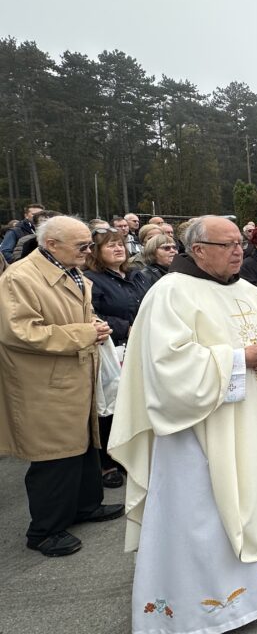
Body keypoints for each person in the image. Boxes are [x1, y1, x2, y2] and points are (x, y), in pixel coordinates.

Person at [108, 216, 257, 634]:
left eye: (241, 243)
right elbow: (165, 367)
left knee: (256, 496)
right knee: (203, 518)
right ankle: (198, 612)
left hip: (253, 422)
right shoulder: (170, 294)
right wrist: (239, 359)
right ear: (197, 250)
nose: (239, 251)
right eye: (228, 244)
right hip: (196, 432)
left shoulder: (250, 291)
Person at [0, 216, 121, 557]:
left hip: (73, 375)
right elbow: (19, 332)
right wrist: (84, 333)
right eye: (81, 245)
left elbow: (72, 313)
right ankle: (44, 530)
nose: (88, 251)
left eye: (88, 244)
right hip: (44, 383)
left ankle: (85, 505)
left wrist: (93, 323)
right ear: (51, 244)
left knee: (83, 445)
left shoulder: (69, 269)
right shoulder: (19, 279)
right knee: (54, 457)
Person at [85, 225, 144, 488]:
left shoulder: (136, 275)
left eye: (120, 243)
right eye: (110, 245)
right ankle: (107, 462)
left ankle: (129, 453)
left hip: (139, 345)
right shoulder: (92, 279)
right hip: (113, 348)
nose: (118, 248)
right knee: (110, 405)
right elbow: (92, 313)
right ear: (97, 252)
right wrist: (125, 327)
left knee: (134, 400)